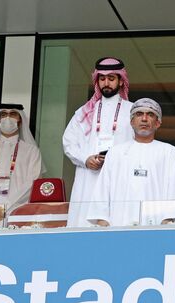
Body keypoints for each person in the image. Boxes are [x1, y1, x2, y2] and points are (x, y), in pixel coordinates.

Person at [87, 98, 175, 227]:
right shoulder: (115, 152)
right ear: (131, 122)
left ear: (158, 123)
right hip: (118, 225)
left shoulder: (168, 151)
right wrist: (102, 222)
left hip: (155, 226)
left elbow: (174, 189)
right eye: (139, 114)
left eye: (150, 114)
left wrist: (167, 222)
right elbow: (103, 190)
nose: (144, 119)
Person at [62, 57, 134, 227]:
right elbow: (69, 142)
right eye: (102, 79)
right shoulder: (83, 112)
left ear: (121, 81)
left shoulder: (133, 110)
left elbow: (138, 145)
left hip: (120, 177)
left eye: (111, 78)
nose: (106, 83)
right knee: (85, 226)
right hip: (89, 178)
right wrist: (86, 159)